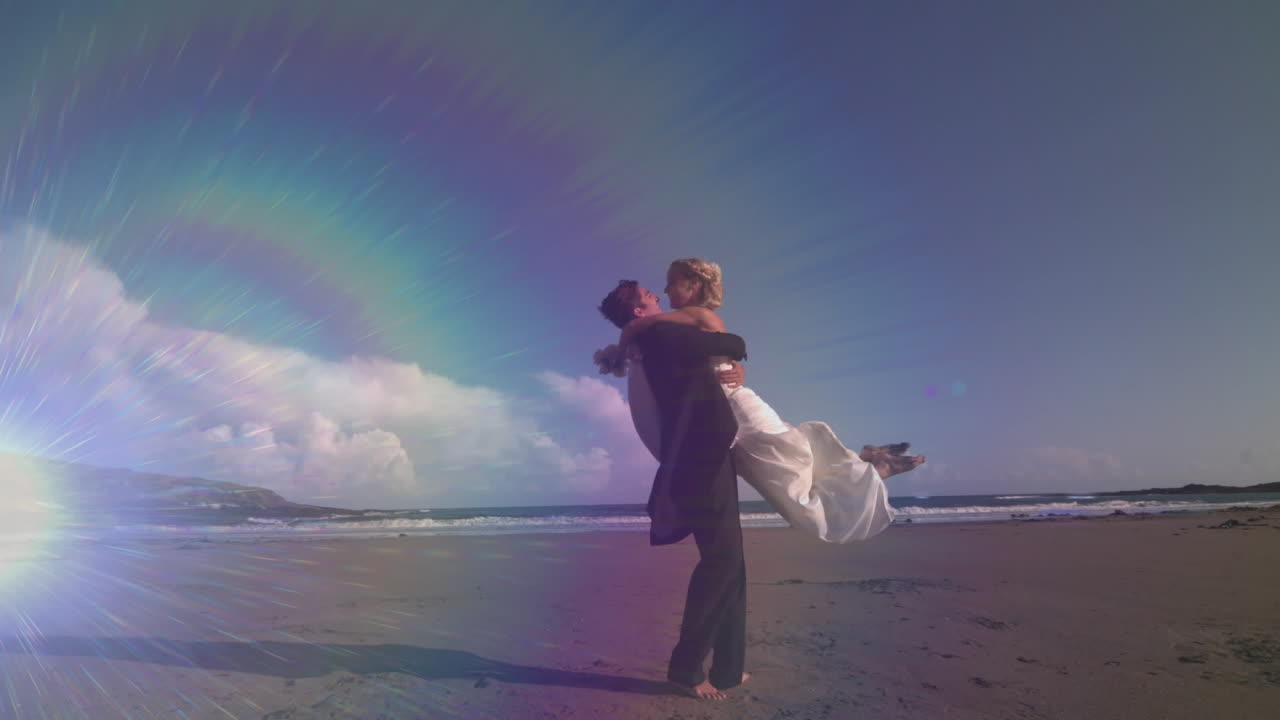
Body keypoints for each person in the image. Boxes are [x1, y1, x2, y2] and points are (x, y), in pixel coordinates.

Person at [605, 258, 924, 544]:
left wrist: (623, 342)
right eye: (651, 293)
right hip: (727, 416)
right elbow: (707, 351)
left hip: (735, 410)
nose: (661, 291)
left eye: (670, 282)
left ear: (693, 285)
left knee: (790, 476)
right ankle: (868, 464)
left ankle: (871, 468)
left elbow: (647, 326)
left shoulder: (686, 318)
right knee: (788, 475)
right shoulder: (668, 331)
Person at [598, 279, 750, 700]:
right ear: (639, 310)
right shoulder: (662, 333)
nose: (657, 296)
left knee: (731, 564)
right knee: (721, 563)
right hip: (701, 456)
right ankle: (685, 669)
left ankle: (729, 668)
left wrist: (735, 368)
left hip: (707, 451)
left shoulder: (653, 337)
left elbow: (724, 356)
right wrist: (731, 354)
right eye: (649, 295)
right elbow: (733, 341)